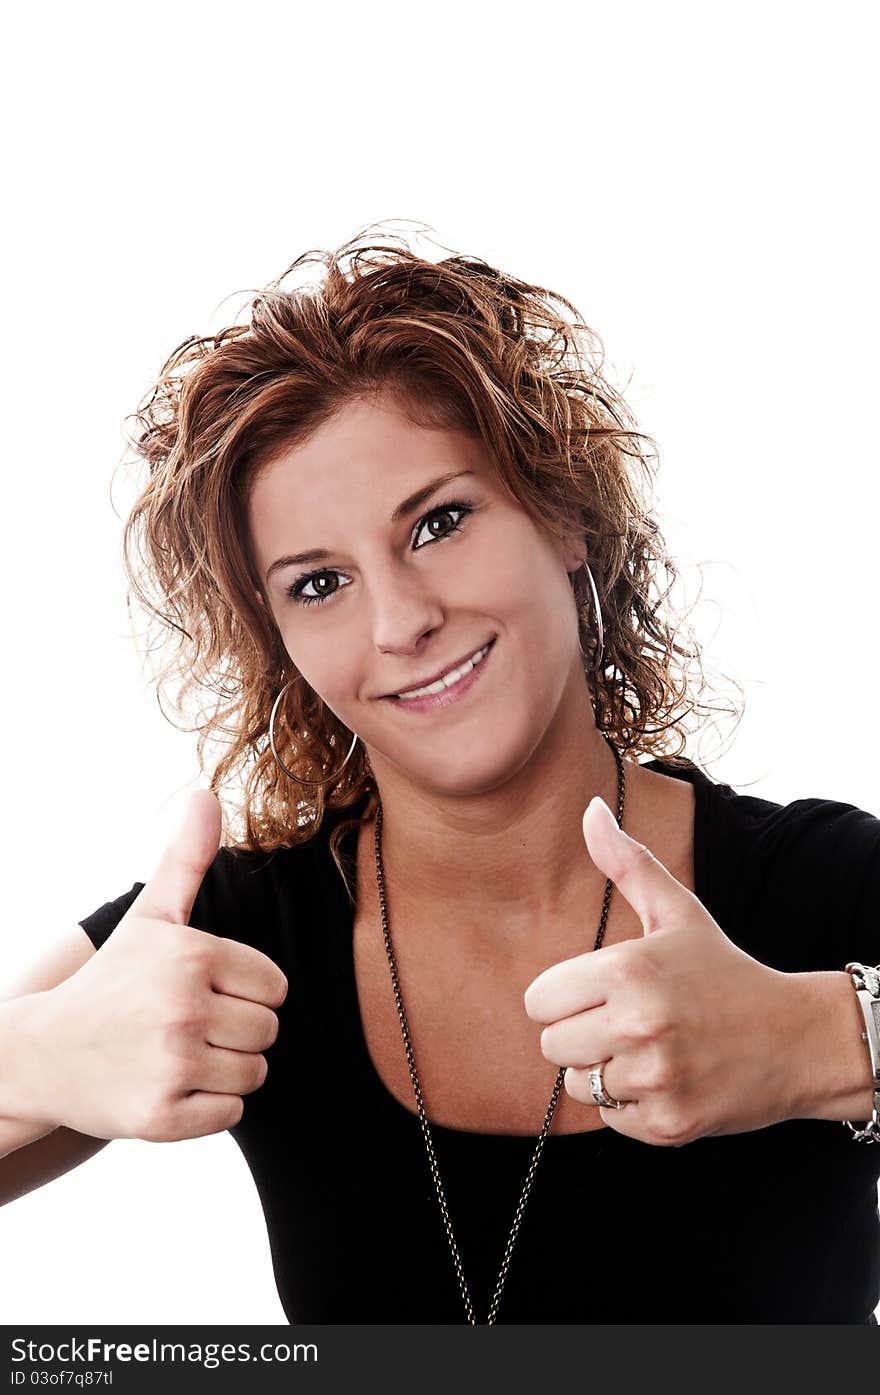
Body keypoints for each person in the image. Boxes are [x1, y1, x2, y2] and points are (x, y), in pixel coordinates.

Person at [1, 224, 878, 1325]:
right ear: (278, 641)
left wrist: (823, 1041)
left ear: (562, 515)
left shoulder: (821, 886)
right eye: (318, 585)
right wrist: (27, 1060)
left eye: (439, 522)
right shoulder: (227, 937)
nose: (403, 622)